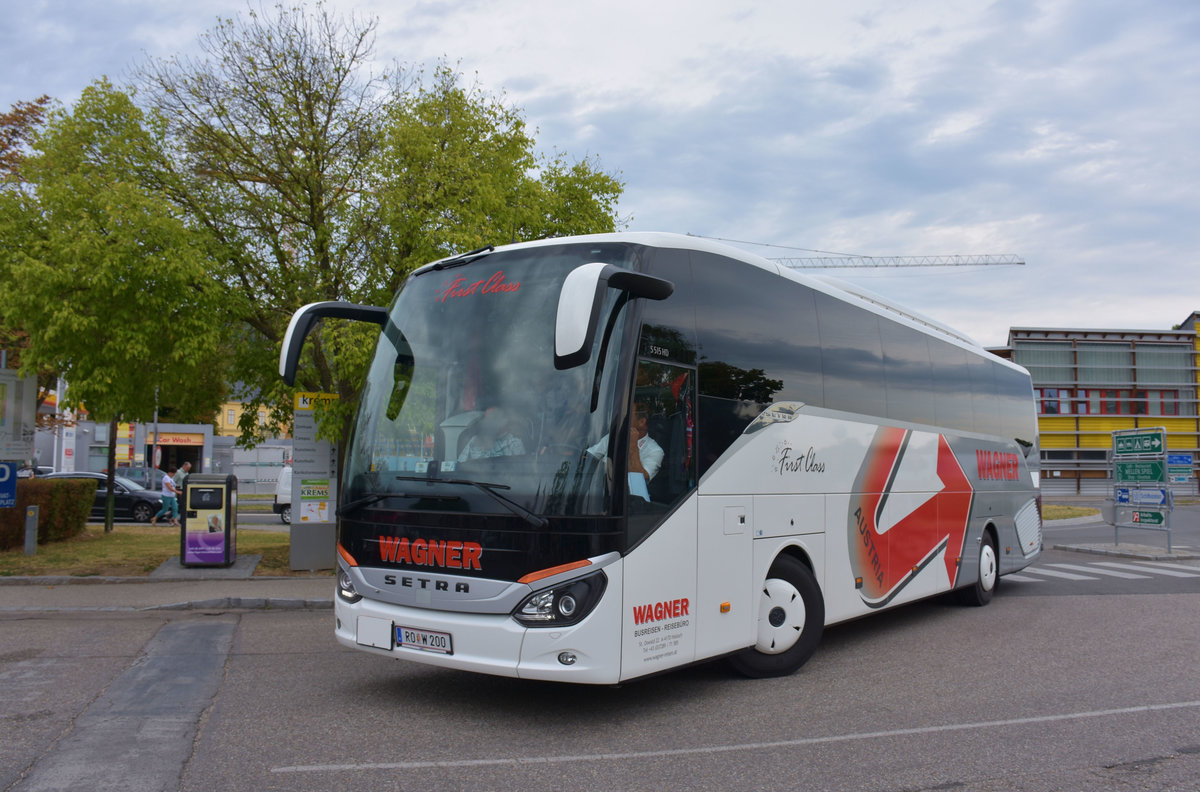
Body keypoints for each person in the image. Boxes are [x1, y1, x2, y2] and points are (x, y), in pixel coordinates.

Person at [587, 403, 664, 484]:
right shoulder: (613, 437)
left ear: (642, 422)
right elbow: (591, 456)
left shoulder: (655, 451)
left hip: (629, 495)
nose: (622, 418)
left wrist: (633, 445)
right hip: (600, 489)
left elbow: (639, 479)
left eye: (627, 415)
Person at [459, 406, 527, 460]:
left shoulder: (514, 444)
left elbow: (520, 471)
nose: (487, 422)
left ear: (503, 421)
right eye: (486, 419)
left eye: (492, 418)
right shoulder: (474, 441)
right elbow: (459, 466)